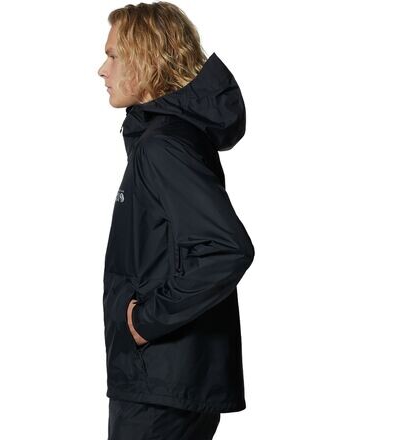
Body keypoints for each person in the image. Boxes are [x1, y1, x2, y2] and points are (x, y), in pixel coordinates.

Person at [97, 2, 255, 439]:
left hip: (162, 385)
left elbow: (227, 249)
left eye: (113, 56)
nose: (102, 70)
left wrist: (145, 322)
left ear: (145, 60)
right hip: (165, 380)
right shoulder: (166, 139)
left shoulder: (163, 146)